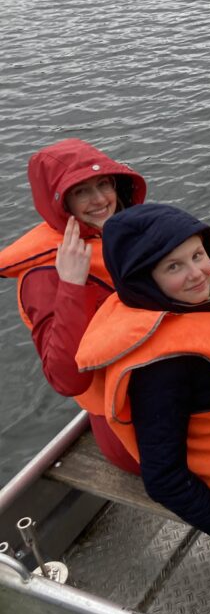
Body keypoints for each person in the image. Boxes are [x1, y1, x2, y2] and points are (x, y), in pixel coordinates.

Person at [76, 203, 210, 549]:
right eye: (174, 266)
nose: (197, 274)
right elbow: (163, 479)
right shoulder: (164, 368)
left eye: (197, 254)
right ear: (145, 279)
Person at [0, 139, 147, 473]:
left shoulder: (115, 234)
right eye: (80, 191)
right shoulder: (44, 276)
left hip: (165, 382)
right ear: (59, 201)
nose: (99, 200)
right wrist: (71, 286)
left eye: (103, 184)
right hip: (133, 426)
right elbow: (67, 380)